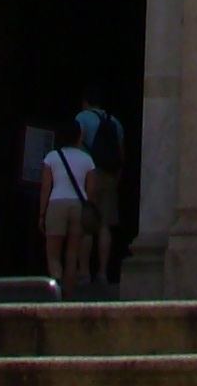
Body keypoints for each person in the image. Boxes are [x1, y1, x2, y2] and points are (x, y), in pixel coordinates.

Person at [38, 118, 98, 295]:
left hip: (57, 203)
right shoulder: (87, 159)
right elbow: (91, 190)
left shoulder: (52, 157)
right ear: (80, 136)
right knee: (72, 256)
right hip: (78, 205)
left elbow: (45, 187)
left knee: (54, 255)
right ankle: (69, 295)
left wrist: (42, 214)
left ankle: (56, 289)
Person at [76, 92, 127, 289]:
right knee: (105, 225)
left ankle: (84, 273)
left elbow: (78, 145)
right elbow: (121, 154)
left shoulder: (82, 118)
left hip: (89, 173)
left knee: (88, 224)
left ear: (85, 101)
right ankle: (103, 272)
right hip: (109, 175)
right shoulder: (115, 122)